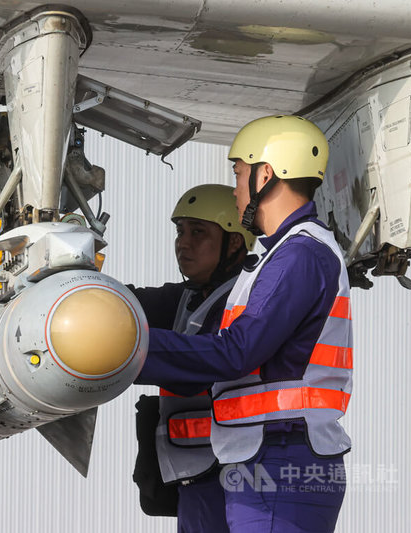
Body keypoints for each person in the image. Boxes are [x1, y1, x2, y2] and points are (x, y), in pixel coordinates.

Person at [137, 115, 353, 532]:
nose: (235, 189)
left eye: (238, 174)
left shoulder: (300, 254)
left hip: (281, 459)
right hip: (265, 456)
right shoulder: (281, 255)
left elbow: (236, 352)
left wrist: (128, 348)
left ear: (265, 175)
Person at [130, 184, 254, 533]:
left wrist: (125, 350)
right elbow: (123, 305)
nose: (183, 243)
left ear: (234, 242)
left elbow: (197, 370)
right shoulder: (186, 297)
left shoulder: (242, 302)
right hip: (196, 473)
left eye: (198, 232)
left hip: (234, 474)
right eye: (180, 231)